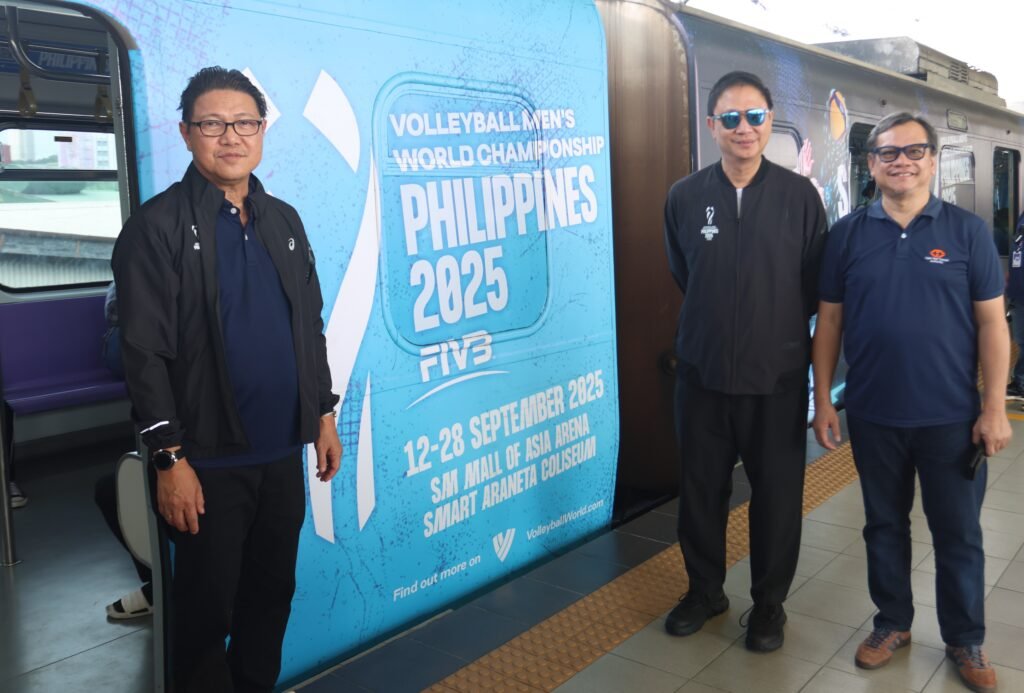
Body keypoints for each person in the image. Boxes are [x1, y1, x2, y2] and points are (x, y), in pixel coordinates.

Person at [112, 66, 341, 692]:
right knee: (205, 614)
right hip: (204, 464)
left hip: (280, 454)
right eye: (212, 124)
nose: (230, 136)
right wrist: (169, 459)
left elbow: (310, 327)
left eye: (244, 123)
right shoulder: (155, 228)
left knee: (270, 595)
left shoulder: (283, 221)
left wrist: (322, 414)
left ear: (262, 130)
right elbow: (143, 354)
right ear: (186, 133)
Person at [813, 112, 1009, 693]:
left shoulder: (967, 232)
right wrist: (823, 400)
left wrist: (994, 407)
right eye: (888, 152)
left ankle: (964, 638)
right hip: (874, 413)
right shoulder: (846, 235)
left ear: (932, 159)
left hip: (952, 417)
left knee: (959, 534)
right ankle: (892, 622)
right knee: (883, 525)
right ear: (871, 163)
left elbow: (993, 325)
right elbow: (828, 323)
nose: (901, 161)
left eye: (914, 150)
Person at [663, 70, 827, 652]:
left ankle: (768, 607)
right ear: (712, 126)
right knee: (700, 492)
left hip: (775, 380)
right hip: (702, 377)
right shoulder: (684, 197)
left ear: (768, 121)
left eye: (754, 117)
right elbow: (685, 273)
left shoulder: (799, 198)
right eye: (730, 118)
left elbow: (813, 287)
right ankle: (704, 592)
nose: (743, 128)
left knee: (777, 499)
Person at [1006, 212, 1024, 401]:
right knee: (1021, 340)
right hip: (1018, 292)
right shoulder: (1021, 218)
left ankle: (1021, 384)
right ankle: (1020, 383)